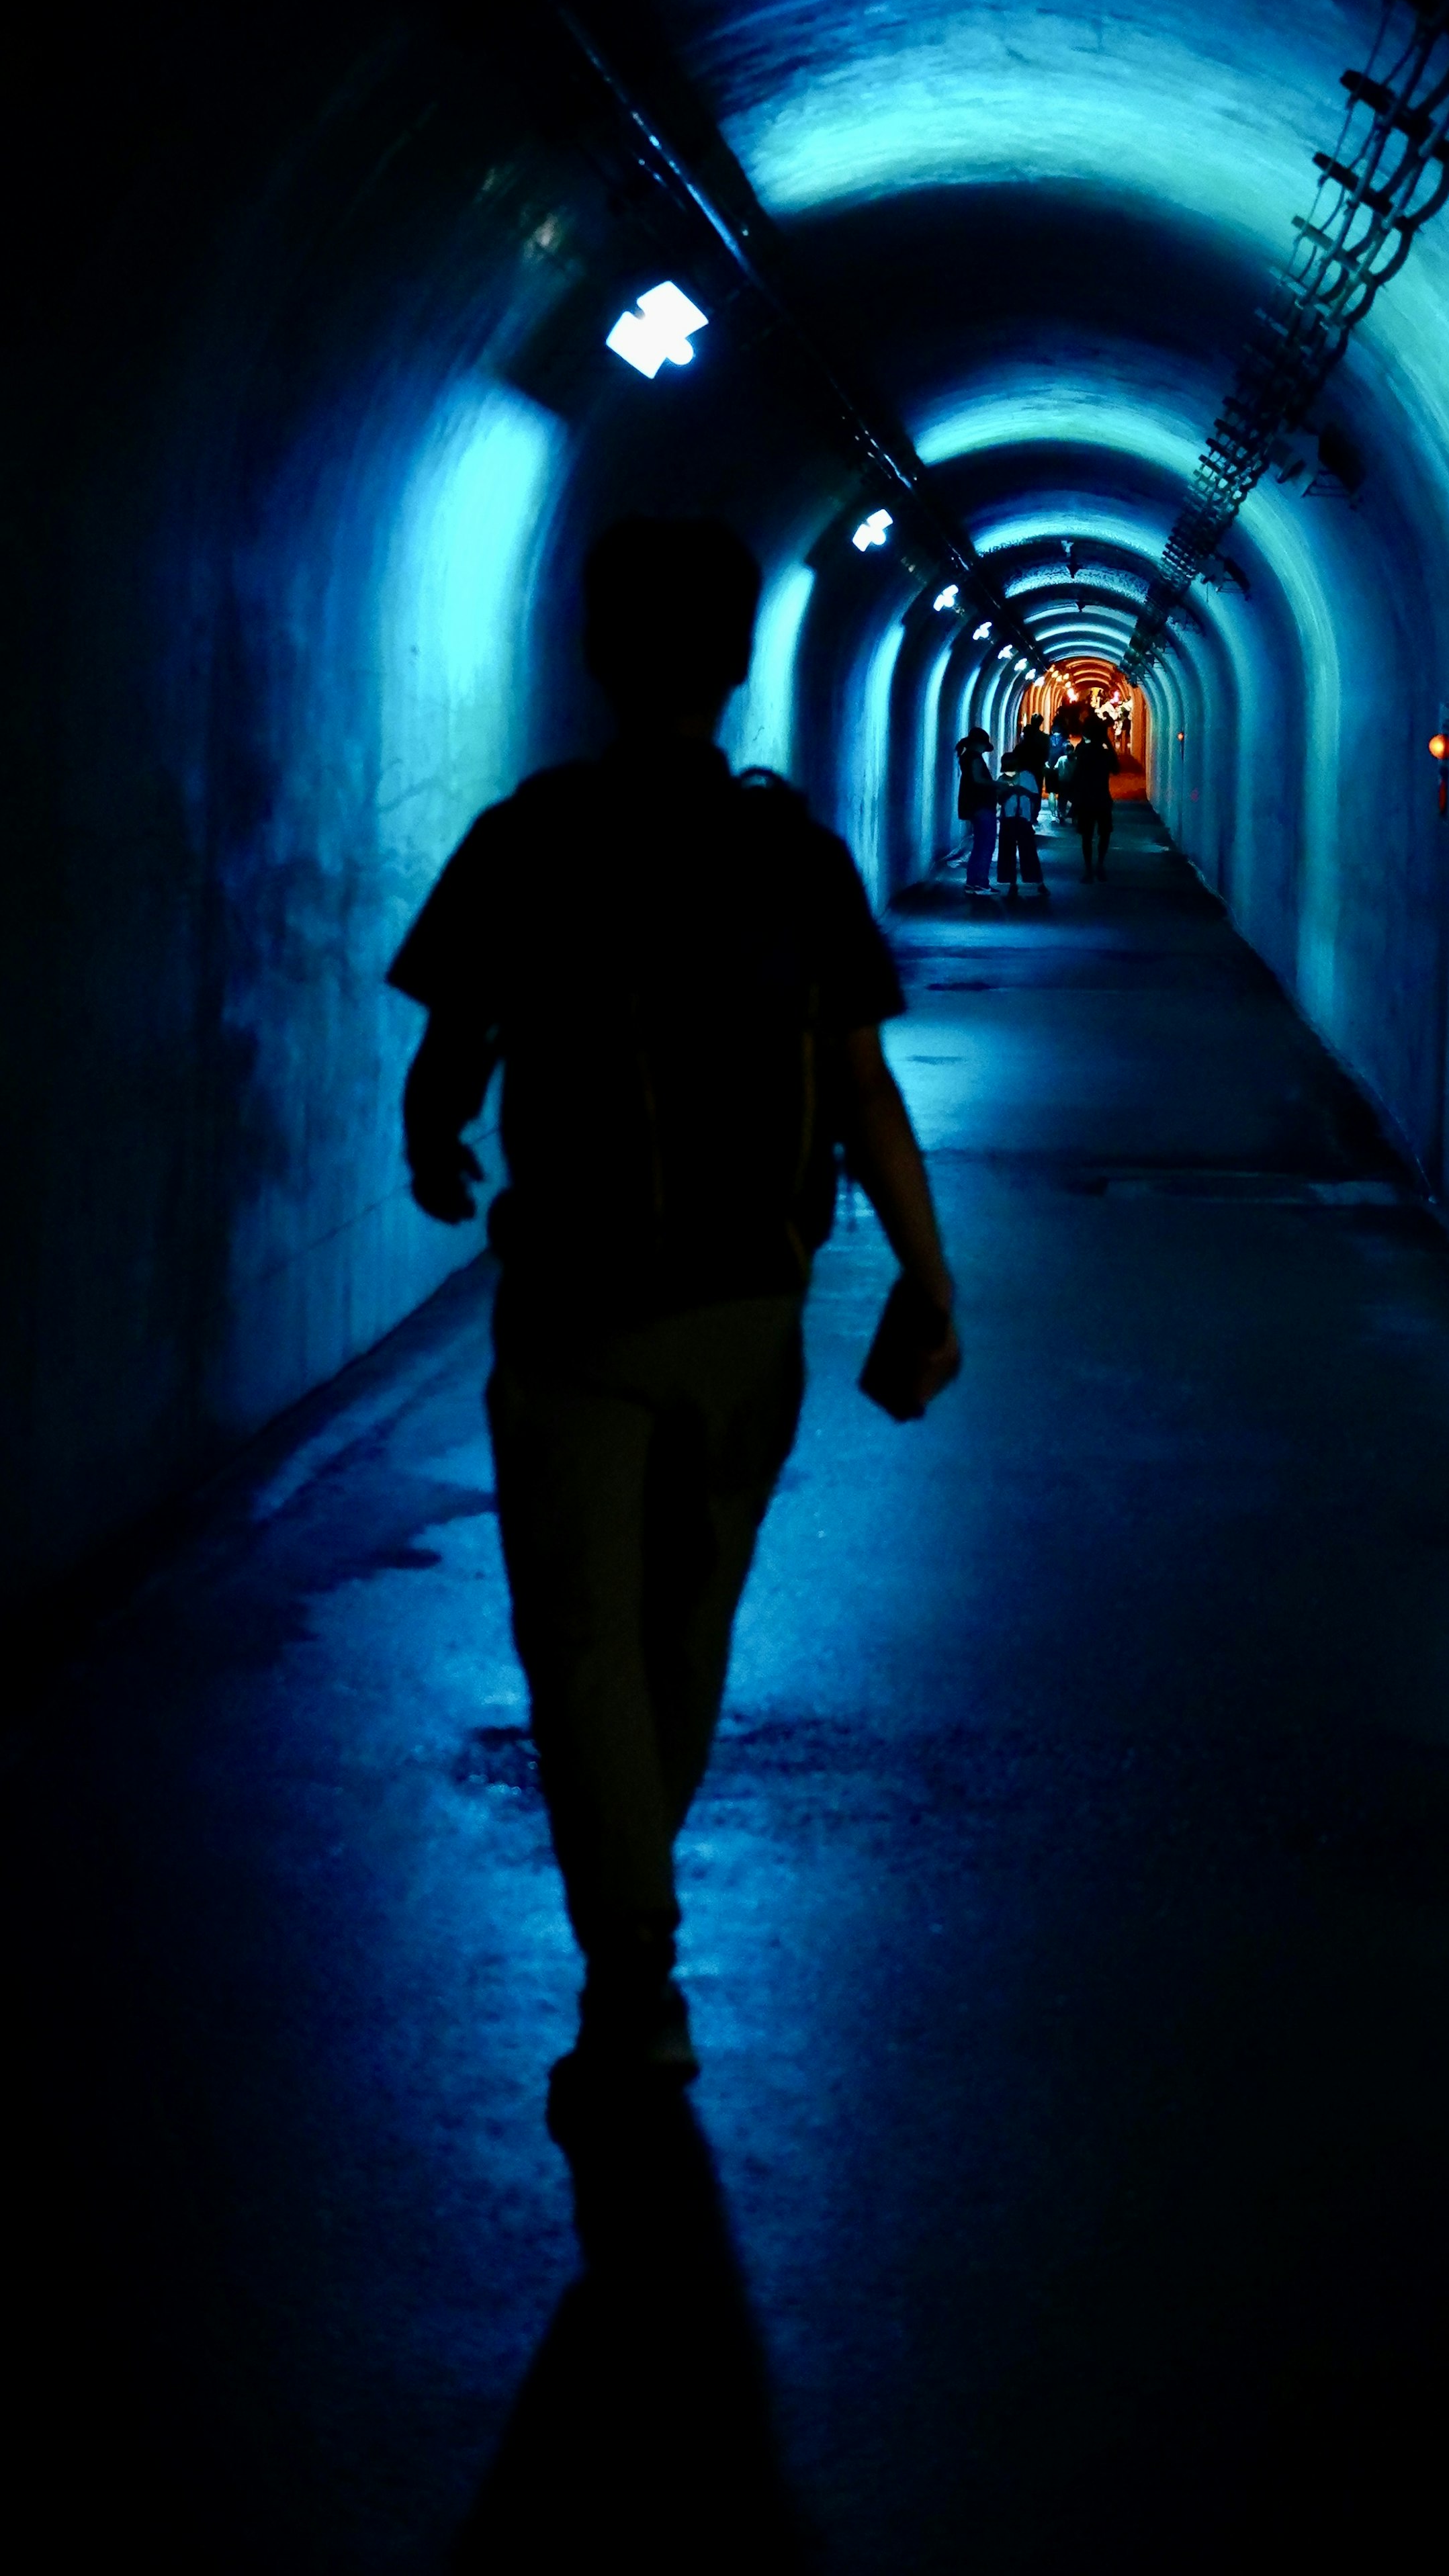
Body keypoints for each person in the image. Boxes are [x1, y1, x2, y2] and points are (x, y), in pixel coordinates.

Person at [390, 517, 964, 2123]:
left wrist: (433, 1136)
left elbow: (454, 1042)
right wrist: (927, 1275)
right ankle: (637, 1937)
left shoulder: (532, 834)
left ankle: (631, 1982)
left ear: (591, 649)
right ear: (727, 660)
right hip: (745, 1310)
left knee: (578, 1649)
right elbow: (858, 1086)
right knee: (681, 1627)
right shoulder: (789, 854)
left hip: (572, 1305)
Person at [996, 730, 1049, 898]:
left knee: (1029, 851)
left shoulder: (1027, 777)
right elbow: (1000, 800)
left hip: (1023, 819)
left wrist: (1022, 791)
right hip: (1008, 820)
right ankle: (1012, 883)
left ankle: (1038, 882)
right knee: (1007, 852)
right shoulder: (1002, 779)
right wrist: (1009, 790)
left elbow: (1035, 796)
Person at [1063, 718, 1117, 880]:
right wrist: (1107, 742)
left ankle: (1088, 870)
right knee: (1105, 833)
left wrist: (1073, 795)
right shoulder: (1105, 752)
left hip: (1086, 798)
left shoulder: (1082, 749)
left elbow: (1077, 773)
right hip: (1102, 797)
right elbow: (1116, 768)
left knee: (1087, 836)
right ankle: (1100, 865)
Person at [955, 724, 999, 893]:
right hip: (981, 805)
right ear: (978, 743)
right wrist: (998, 784)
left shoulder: (967, 757)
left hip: (973, 805)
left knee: (979, 845)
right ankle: (981, 882)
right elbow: (978, 780)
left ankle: (972, 882)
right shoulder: (974, 758)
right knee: (987, 844)